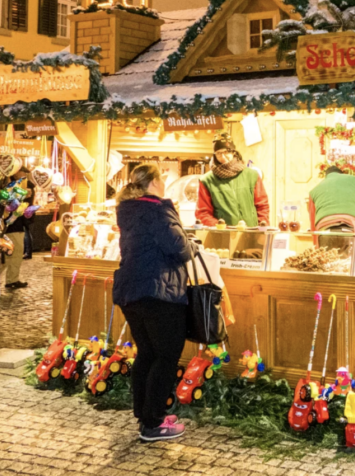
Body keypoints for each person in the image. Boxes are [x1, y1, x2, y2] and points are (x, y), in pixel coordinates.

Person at [113, 163, 192, 442]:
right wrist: (191, 242)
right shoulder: (159, 208)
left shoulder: (127, 209)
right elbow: (179, 247)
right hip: (160, 291)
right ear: (156, 182)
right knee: (166, 355)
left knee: (147, 352)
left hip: (131, 290)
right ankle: (154, 423)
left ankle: (144, 413)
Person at [196, 134, 269, 227]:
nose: (222, 157)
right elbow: (203, 213)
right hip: (222, 236)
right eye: (218, 153)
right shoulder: (207, 180)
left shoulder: (252, 175)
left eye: (226, 152)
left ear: (233, 152)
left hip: (251, 233)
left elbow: (262, 206)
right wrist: (221, 227)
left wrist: (262, 228)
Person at [308, 165, 355, 234]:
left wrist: (316, 243)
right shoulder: (354, 181)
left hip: (324, 226)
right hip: (350, 224)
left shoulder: (314, 191)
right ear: (341, 174)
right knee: (352, 244)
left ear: (326, 176)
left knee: (324, 245)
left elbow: (313, 225)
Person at [3, 168, 31, 290]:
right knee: (13, 253)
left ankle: (12, 279)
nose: (24, 176)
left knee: (13, 254)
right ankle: (10, 280)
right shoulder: (9, 186)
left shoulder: (20, 186)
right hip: (12, 226)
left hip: (16, 225)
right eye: (22, 173)